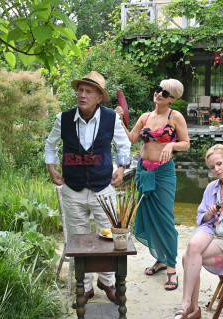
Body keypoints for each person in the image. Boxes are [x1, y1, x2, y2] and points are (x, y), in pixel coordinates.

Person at [45, 71, 131, 308]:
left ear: (99, 98)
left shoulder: (111, 118)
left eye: (88, 91)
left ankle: (107, 282)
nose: (82, 95)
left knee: (108, 236)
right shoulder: (63, 118)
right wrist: (51, 168)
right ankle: (86, 287)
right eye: (80, 90)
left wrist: (122, 169)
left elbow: (124, 145)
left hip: (103, 188)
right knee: (79, 239)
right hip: (72, 189)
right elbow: (50, 145)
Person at [116, 79, 190, 290]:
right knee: (149, 215)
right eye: (158, 89)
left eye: (165, 93)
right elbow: (131, 139)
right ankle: (160, 259)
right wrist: (121, 121)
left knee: (165, 218)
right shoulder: (145, 117)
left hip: (163, 173)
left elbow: (186, 143)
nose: (159, 94)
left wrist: (172, 144)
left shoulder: (175, 117)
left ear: (172, 99)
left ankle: (172, 267)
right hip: (143, 171)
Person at [174, 144, 223, 319]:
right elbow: (201, 217)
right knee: (193, 245)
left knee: (188, 259)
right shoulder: (212, 188)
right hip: (212, 230)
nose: (216, 169)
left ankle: (193, 308)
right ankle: (188, 304)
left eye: (219, 163)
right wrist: (209, 214)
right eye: (212, 167)